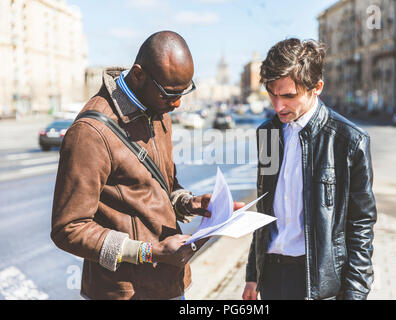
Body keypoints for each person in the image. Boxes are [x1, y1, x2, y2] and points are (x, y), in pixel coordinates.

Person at [51, 31, 244, 300]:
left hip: (169, 284)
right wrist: (148, 252)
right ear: (139, 75)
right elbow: (68, 229)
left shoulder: (158, 110)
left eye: (183, 93)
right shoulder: (90, 133)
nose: (177, 104)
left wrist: (190, 203)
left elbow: (161, 188)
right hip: (123, 293)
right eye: (170, 94)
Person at [242, 38, 377, 300]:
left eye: (289, 96)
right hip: (270, 277)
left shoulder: (349, 141)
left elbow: (361, 225)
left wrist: (354, 294)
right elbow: (264, 209)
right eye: (272, 93)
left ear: (316, 88)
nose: (278, 105)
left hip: (318, 283)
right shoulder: (268, 134)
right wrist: (252, 274)